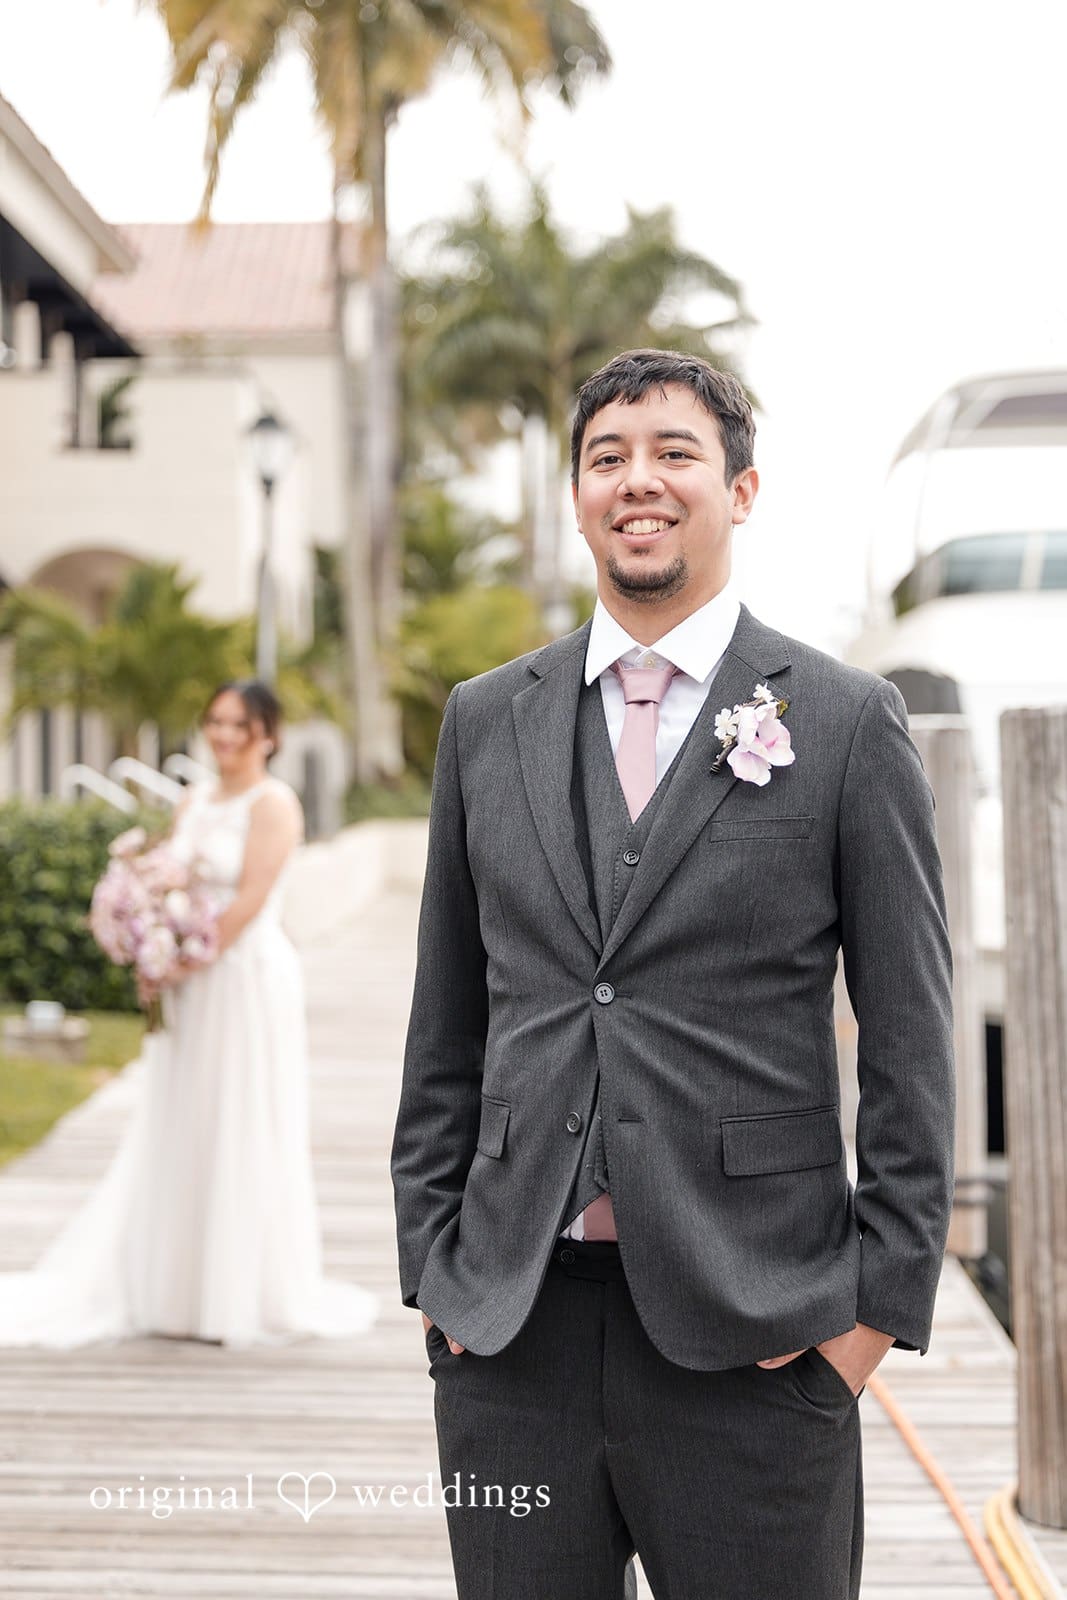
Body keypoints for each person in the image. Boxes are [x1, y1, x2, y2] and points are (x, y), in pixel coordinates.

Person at [391, 350, 955, 1599]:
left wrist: (867, 1321)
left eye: (673, 453)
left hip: (759, 1331)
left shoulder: (847, 720)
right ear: (576, 496)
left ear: (740, 489)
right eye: (605, 458)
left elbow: (912, 1037)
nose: (636, 480)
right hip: (510, 1331)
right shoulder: (485, 720)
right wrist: (433, 1272)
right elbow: (447, 1019)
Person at [0, 679, 377, 1349]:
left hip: (243, 979)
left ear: (269, 735)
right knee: (181, 1117)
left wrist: (185, 957)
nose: (224, 735)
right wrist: (146, 941)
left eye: (239, 724)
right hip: (187, 986)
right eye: (215, 722)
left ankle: (232, 1290)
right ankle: (169, 1285)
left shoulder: (274, 805)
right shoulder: (195, 799)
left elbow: (250, 900)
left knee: (239, 1117)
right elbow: (162, 878)